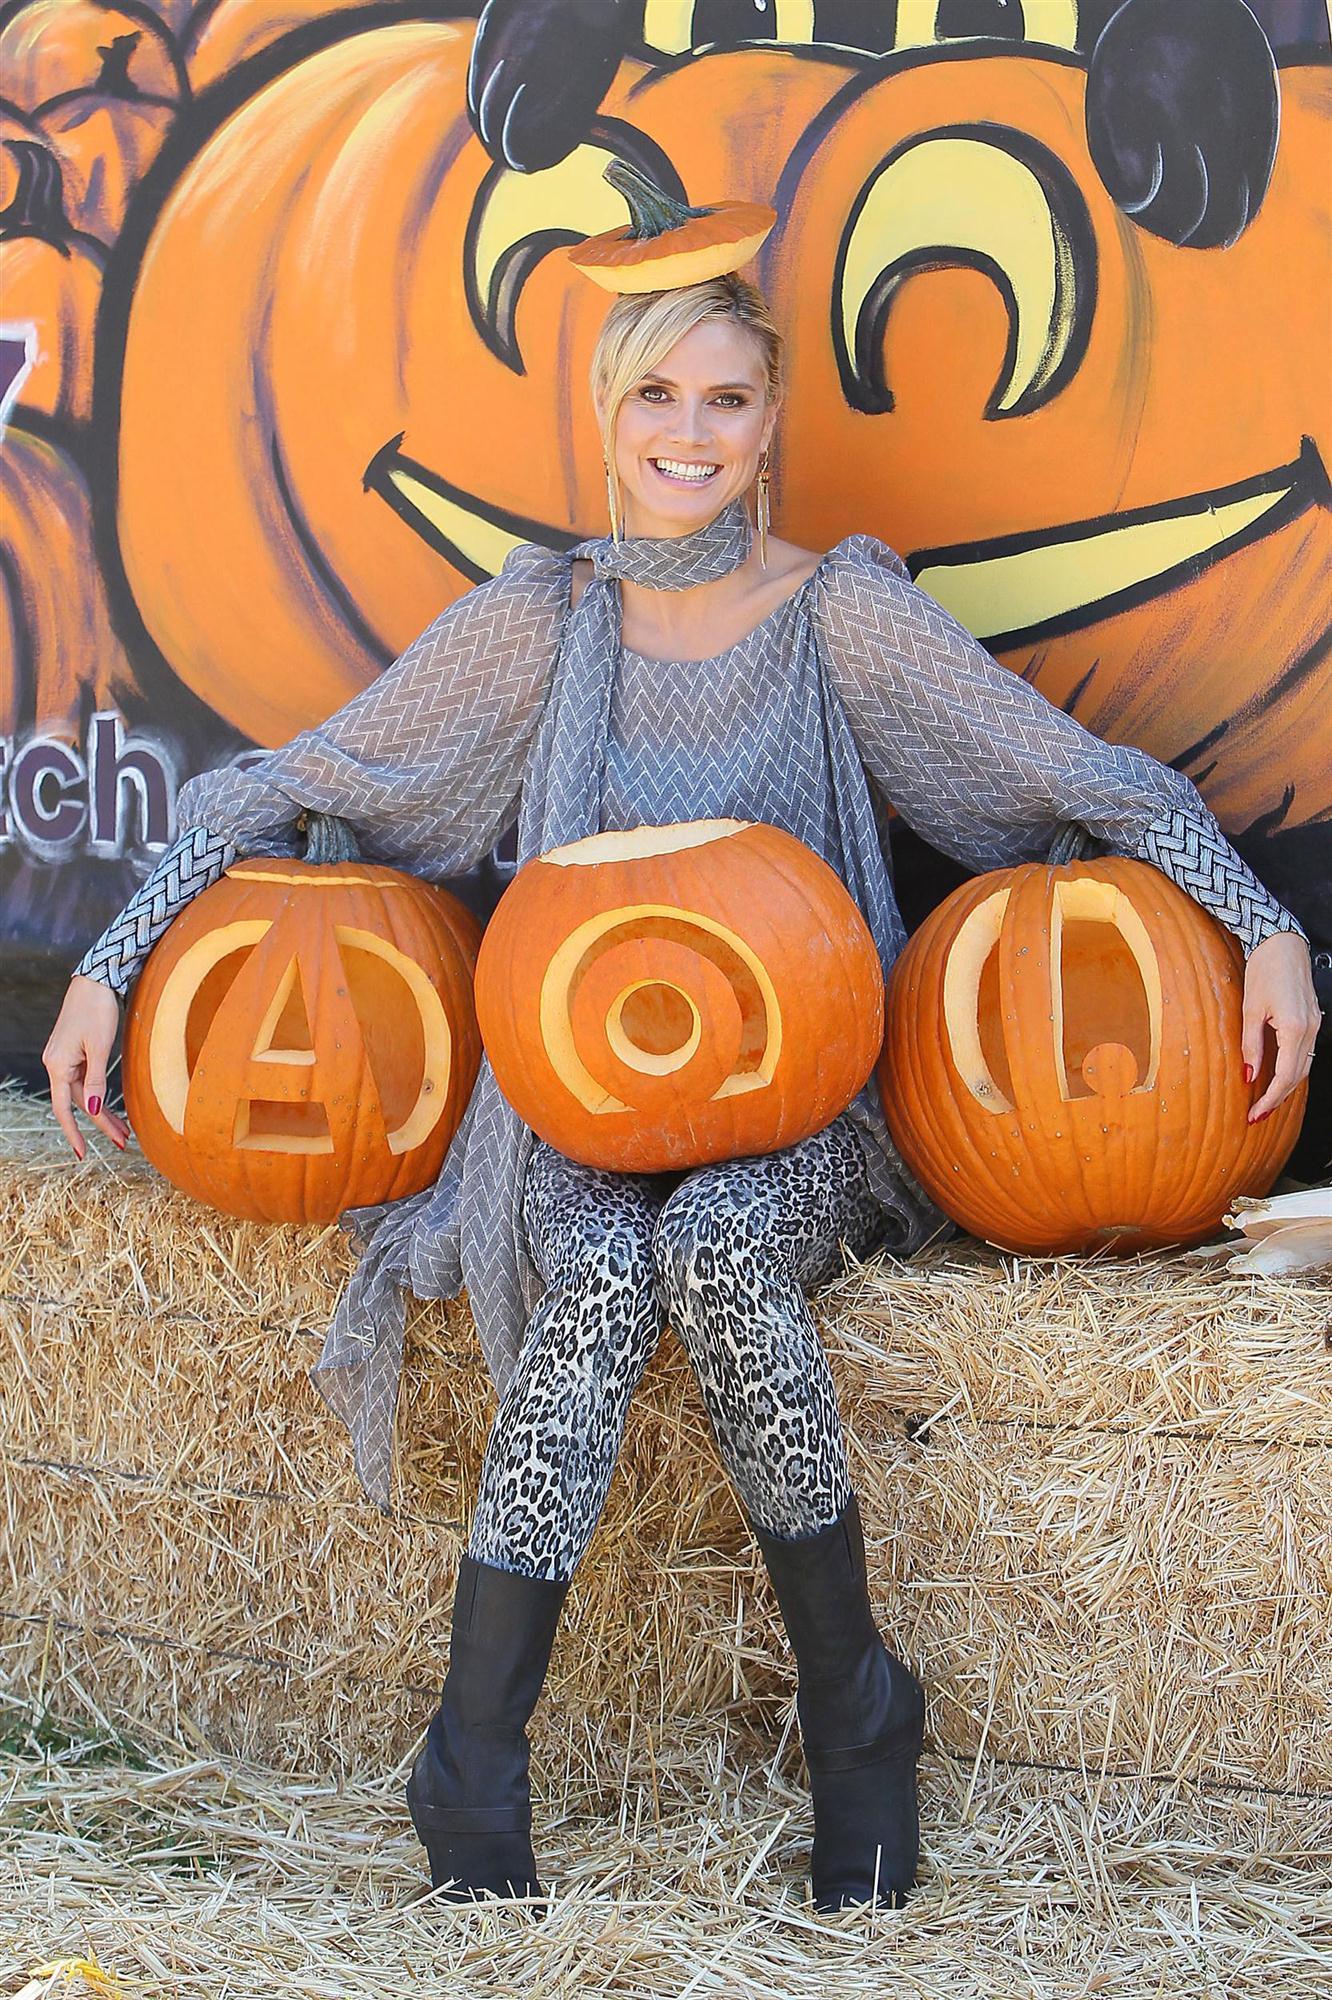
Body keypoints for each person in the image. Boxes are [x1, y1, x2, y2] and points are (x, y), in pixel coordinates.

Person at [44, 255, 1319, 1913]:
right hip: (575, 1107)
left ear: (773, 419)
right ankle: (471, 1750)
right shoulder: (542, 623)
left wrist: (1262, 922)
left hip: (805, 1114)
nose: (690, 433)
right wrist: (113, 961)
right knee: (594, 1273)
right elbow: (301, 784)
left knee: (713, 1241)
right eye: (657, 395)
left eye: (725, 399)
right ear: (607, 413)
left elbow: (1068, 776)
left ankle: (857, 1717)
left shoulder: (838, 612)